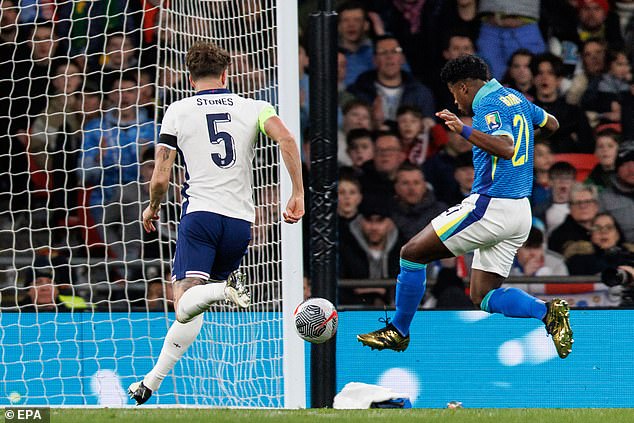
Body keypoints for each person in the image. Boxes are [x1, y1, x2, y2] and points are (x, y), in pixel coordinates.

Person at [356, 54, 574, 360]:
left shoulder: (487, 104)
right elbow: (552, 124)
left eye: (454, 93)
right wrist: (526, 140)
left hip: (491, 206)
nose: (456, 102)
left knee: (411, 254)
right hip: (519, 211)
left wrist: (463, 129)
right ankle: (547, 312)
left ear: (464, 87)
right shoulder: (514, 97)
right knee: (482, 295)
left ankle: (399, 331)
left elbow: (507, 147)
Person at [128, 42, 304, 405]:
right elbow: (286, 138)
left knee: (184, 302)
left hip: (201, 217)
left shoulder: (177, 110)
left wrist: (152, 207)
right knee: (195, 306)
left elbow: (161, 175)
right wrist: (297, 193)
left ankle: (227, 291)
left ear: (189, 77)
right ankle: (150, 383)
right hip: (241, 222)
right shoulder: (255, 107)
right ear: (227, 74)